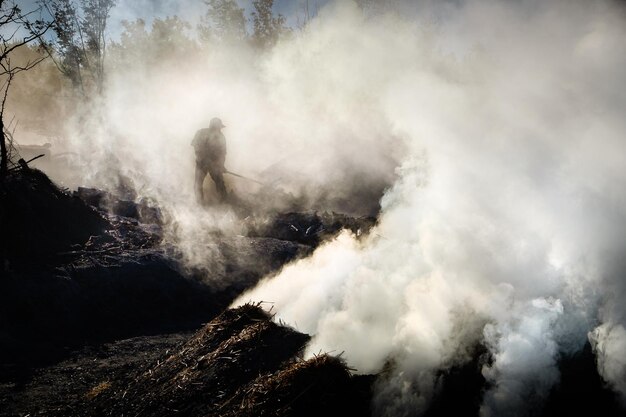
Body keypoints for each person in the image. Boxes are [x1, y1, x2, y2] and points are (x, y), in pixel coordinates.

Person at [192, 117, 227, 203]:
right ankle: (200, 203)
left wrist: (221, 165)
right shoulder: (201, 133)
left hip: (214, 165)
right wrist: (203, 157)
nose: (219, 129)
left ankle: (225, 201)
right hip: (201, 163)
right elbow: (195, 146)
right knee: (198, 184)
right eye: (218, 127)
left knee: (219, 183)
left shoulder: (221, 137)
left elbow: (223, 153)